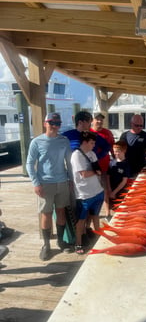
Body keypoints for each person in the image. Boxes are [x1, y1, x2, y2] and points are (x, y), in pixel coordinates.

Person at [26, 112, 73, 261]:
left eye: (57, 124)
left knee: (61, 212)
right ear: (45, 123)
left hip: (62, 182)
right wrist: (36, 183)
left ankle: (61, 241)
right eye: (52, 123)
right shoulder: (36, 142)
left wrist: (71, 179)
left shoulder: (64, 141)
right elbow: (29, 164)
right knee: (46, 214)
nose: (55, 126)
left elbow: (69, 162)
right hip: (45, 183)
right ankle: (46, 245)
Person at [62, 110, 110, 239]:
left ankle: (87, 230)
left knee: (90, 204)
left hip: (90, 175)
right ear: (81, 122)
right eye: (89, 121)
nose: (91, 124)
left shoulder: (92, 135)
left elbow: (106, 147)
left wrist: (95, 159)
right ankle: (78, 234)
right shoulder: (67, 135)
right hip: (74, 176)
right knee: (77, 206)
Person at [71, 131, 104, 254]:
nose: (93, 145)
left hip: (97, 191)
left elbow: (98, 168)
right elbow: (84, 174)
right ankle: (78, 244)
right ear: (84, 142)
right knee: (81, 220)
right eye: (91, 143)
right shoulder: (76, 155)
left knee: (95, 217)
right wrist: (96, 172)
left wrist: (97, 172)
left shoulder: (92, 153)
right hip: (84, 194)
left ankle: (98, 238)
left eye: (94, 143)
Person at [90, 113, 115, 219]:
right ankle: (92, 214)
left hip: (104, 166)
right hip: (91, 168)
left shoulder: (107, 133)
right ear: (92, 120)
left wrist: (115, 158)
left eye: (101, 120)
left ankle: (107, 212)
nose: (99, 122)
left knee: (105, 189)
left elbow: (112, 147)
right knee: (92, 191)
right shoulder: (88, 133)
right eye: (97, 119)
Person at [106, 140, 130, 217]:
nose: (115, 153)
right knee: (112, 208)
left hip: (120, 190)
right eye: (114, 151)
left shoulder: (126, 164)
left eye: (118, 151)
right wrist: (109, 190)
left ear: (124, 151)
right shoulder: (111, 162)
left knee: (120, 209)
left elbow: (124, 181)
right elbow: (107, 176)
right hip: (111, 189)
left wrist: (115, 192)